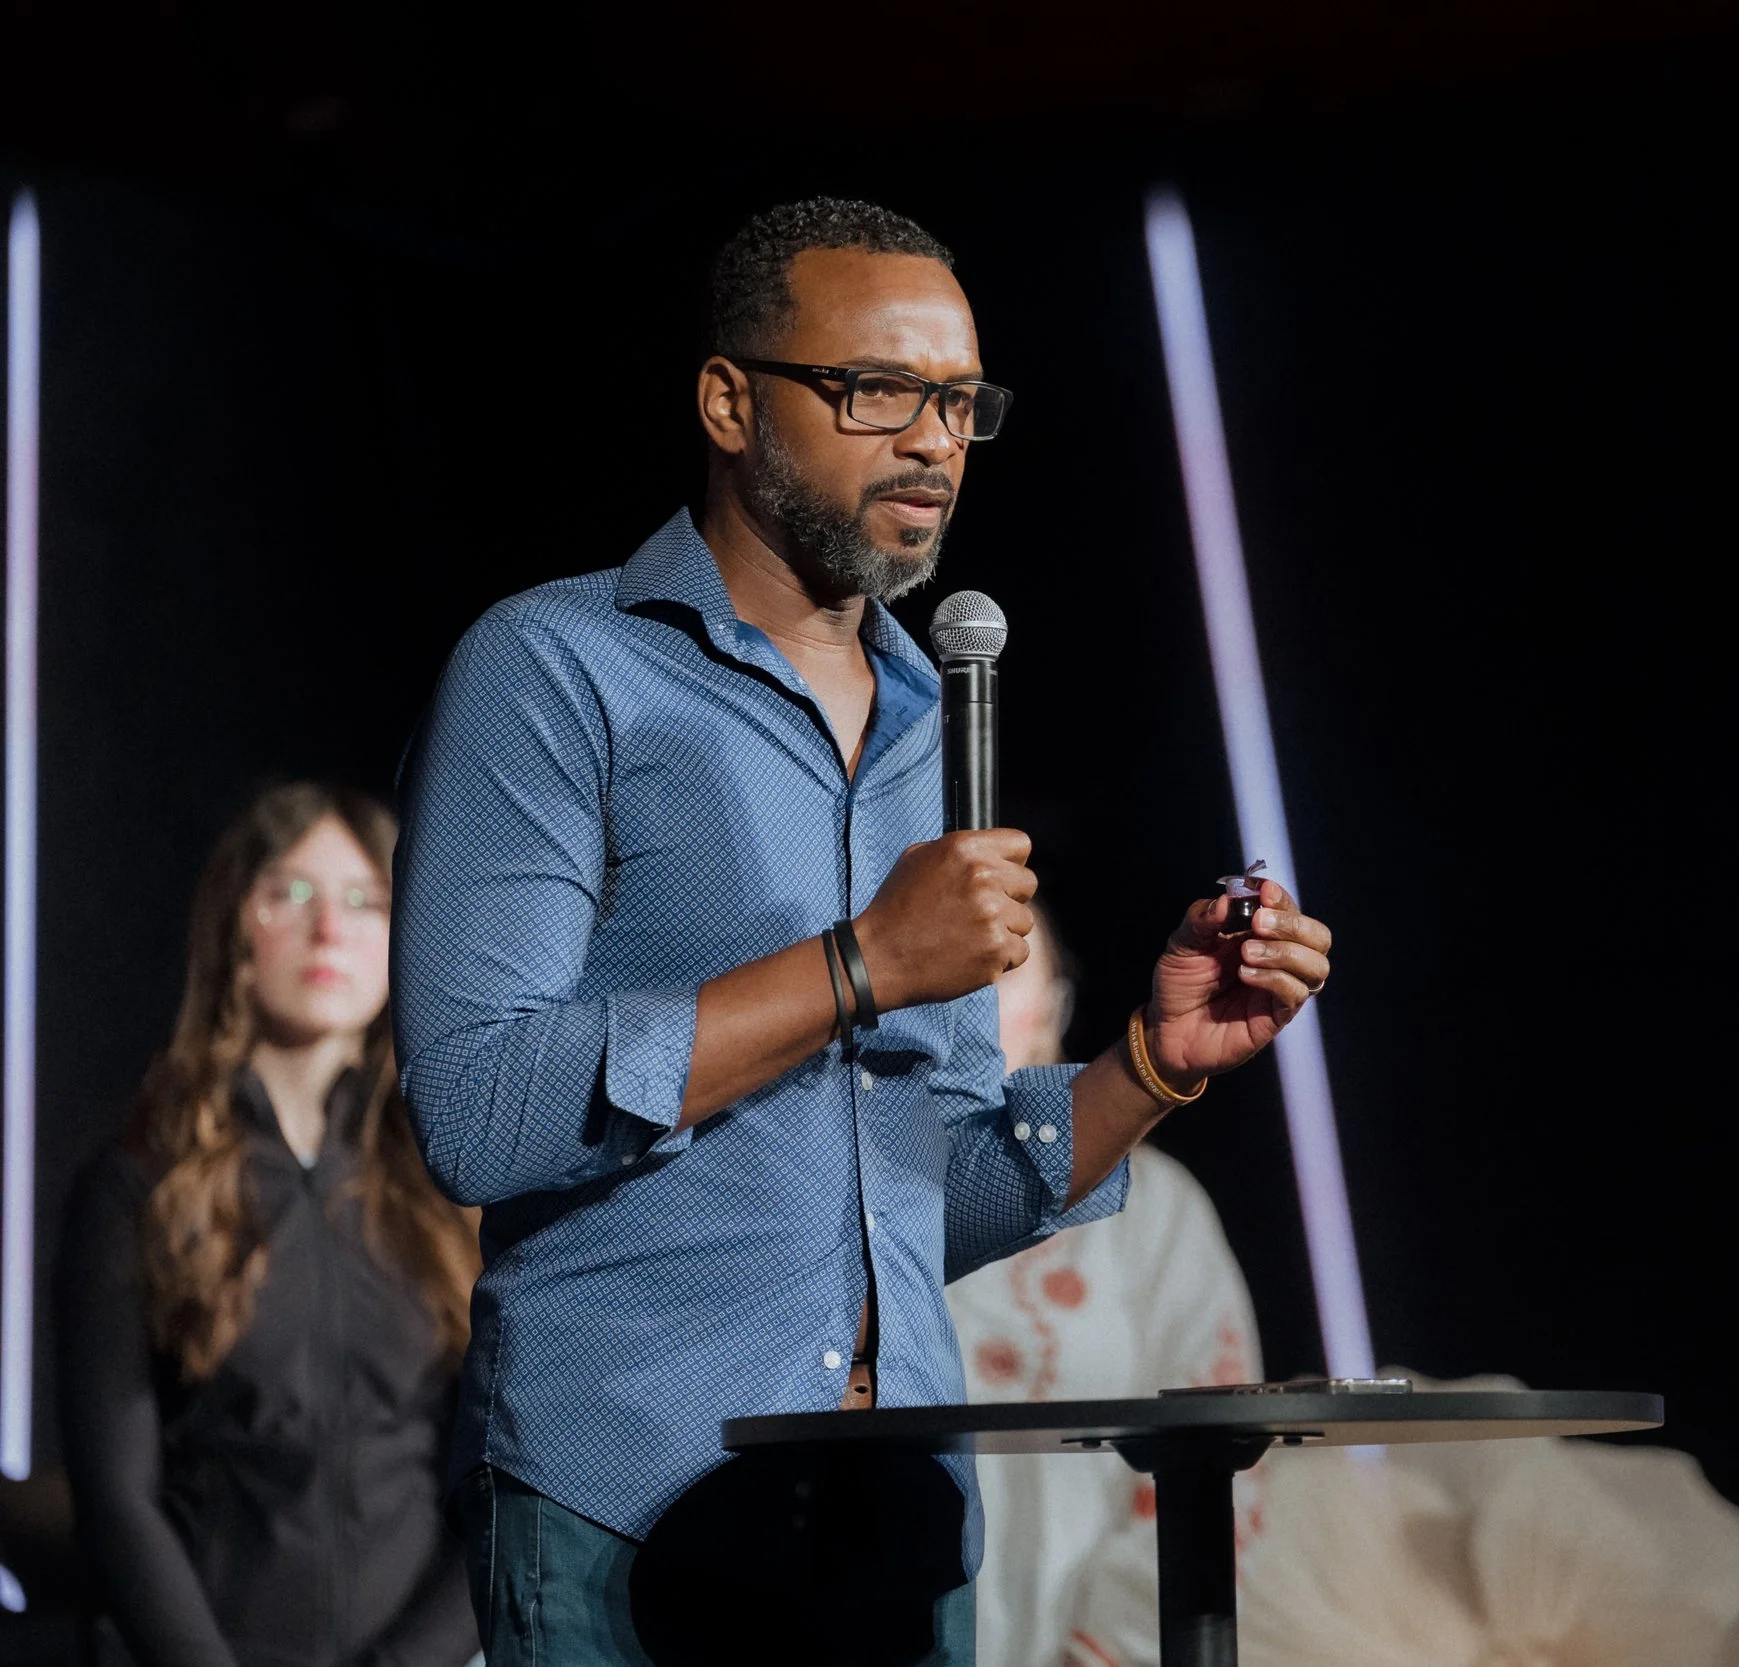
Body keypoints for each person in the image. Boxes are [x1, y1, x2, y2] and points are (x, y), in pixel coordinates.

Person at [390, 197, 1334, 1667]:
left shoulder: (927, 726)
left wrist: (1147, 1061)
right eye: (877, 389)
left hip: (888, 1516)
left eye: (961, 402)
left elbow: (921, 1199)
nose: (934, 442)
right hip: (627, 1498)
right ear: (726, 399)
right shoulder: (554, 668)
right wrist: (858, 964)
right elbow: (476, 1111)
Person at [56, 782, 482, 1667]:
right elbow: (116, 1499)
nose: (331, 930)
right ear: (233, 933)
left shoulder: (451, 1184)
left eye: (366, 902)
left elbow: (502, 1485)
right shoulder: (143, 1182)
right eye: (292, 893)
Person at [946, 905, 1266, 1667]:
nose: (973, 998)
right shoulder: (864, 1199)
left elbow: (1220, 1456)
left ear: (1054, 1000)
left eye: (1006, 967)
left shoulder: (1154, 1207)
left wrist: (1110, 1651)